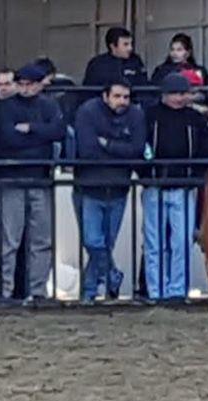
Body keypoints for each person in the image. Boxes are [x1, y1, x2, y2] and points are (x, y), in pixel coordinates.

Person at [0, 63, 65, 300]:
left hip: (39, 179)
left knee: (41, 240)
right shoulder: (4, 108)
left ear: (38, 85)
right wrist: (40, 135)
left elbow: (59, 131)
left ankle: (38, 292)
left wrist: (30, 129)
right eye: (21, 84)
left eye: (29, 84)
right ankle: (5, 292)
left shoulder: (49, 105)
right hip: (11, 180)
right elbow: (7, 138)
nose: (24, 89)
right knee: (9, 241)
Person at [74, 78, 146, 301]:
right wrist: (119, 149)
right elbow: (87, 150)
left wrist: (107, 144)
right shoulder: (87, 111)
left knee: (105, 244)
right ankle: (111, 276)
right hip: (88, 187)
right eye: (117, 96)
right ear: (105, 96)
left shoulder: (136, 114)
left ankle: (89, 292)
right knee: (93, 242)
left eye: (126, 97)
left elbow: (137, 150)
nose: (122, 101)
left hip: (118, 188)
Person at [142, 73, 208, 300]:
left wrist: (194, 175)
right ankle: (156, 290)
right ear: (164, 94)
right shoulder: (149, 116)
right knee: (155, 243)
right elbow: (140, 146)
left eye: (183, 93)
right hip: (155, 186)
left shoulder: (195, 118)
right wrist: (146, 174)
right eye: (175, 93)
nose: (179, 98)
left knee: (181, 243)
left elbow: (205, 146)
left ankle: (177, 291)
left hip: (184, 186)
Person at [82, 27, 148, 92]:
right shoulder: (97, 64)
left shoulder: (135, 60)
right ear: (113, 46)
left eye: (131, 44)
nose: (130, 48)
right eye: (126, 44)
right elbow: (88, 91)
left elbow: (144, 88)